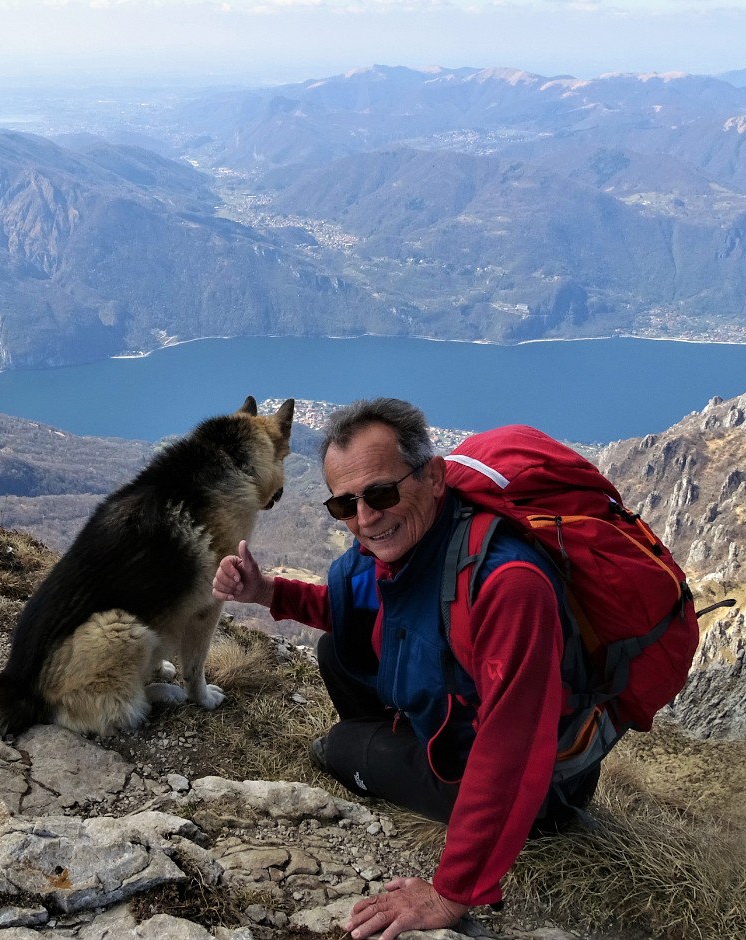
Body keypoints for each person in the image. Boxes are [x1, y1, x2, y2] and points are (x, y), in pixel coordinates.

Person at [211, 398, 598, 939]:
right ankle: (400, 743)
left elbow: (514, 746)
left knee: (339, 746)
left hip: (540, 788)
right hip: (459, 719)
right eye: (345, 506)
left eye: (381, 493)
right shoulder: (407, 546)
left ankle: (381, 752)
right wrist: (268, 592)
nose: (365, 518)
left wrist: (449, 893)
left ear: (435, 477)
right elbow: (353, 608)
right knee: (335, 650)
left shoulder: (506, 584)